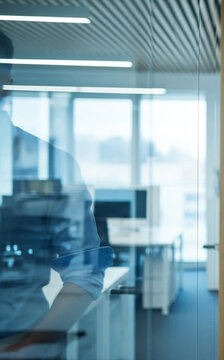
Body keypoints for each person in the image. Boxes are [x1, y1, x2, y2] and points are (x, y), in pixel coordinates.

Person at [0, 29, 112, 358]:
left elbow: (86, 268)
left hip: (15, 342)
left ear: (5, 81)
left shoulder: (50, 166)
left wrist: (31, 345)